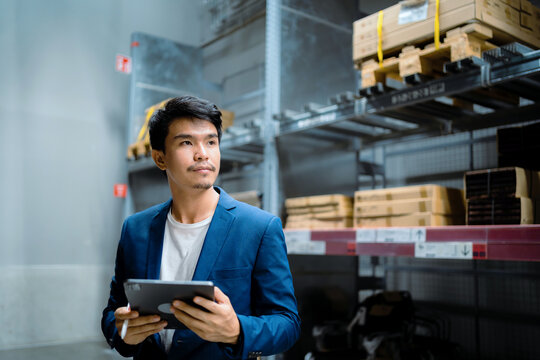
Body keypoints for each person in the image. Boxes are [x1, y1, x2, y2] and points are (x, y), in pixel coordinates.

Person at [101, 95, 300, 359]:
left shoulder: (259, 228)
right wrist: (123, 332)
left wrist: (237, 330)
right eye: (186, 142)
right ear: (160, 158)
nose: (202, 154)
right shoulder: (136, 229)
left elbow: (287, 323)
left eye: (211, 142)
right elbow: (112, 311)